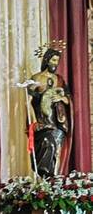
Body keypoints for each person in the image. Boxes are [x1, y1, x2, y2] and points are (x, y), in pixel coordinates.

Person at [28, 46, 72, 177]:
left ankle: (54, 180)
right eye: (53, 60)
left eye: (57, 61)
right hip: (43, 121)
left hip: (58, 120)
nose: (55, 63)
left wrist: (61, 98)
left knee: (57, 150)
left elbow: (68, 99)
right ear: (46, 60)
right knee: (47, 144)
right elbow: (28, 101)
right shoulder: (36, 78)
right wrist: (34, 121)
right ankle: (45, 178)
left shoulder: (60, 79)